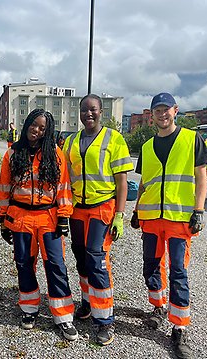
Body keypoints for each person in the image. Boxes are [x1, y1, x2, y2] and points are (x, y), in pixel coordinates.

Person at [130, 92, 207, 359]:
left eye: (166, 110)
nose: (162, 115)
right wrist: (136, 208)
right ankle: (158, 307)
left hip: (179, 220)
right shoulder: (147, 146)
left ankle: (179, 327)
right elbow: (144, 183)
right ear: (151, 115)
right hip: (152, 219)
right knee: (151, 268)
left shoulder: (191, 139)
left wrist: (199, 210)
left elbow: (202, 177)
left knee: (178, 272)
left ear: (175, 111)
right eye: (157, 111)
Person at [0, 108, 78, 341]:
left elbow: (63, 187)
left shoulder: (55, 154)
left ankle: (63, 316)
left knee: (55, 264)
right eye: (34, 124)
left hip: (48, 217)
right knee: (24, 263)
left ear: (48, 131)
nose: (37, 130)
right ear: (27, 124)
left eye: (42, 128)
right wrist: (4, 220)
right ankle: (29, 309)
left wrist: (64, 217)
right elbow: (4, 188)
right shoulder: (13, 154)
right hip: (20, 217)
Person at [62, 94, 134, 346]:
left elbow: (121, 181)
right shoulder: (71, 141)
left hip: (102, 207)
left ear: (101, 111)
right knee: (80, 256)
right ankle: (87, 303)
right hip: (77, 209)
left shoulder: (114, 138)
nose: (88, 114)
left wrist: (120, 215)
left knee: (96, 258)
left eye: (92, 110)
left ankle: (105, 320)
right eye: (84, 110)